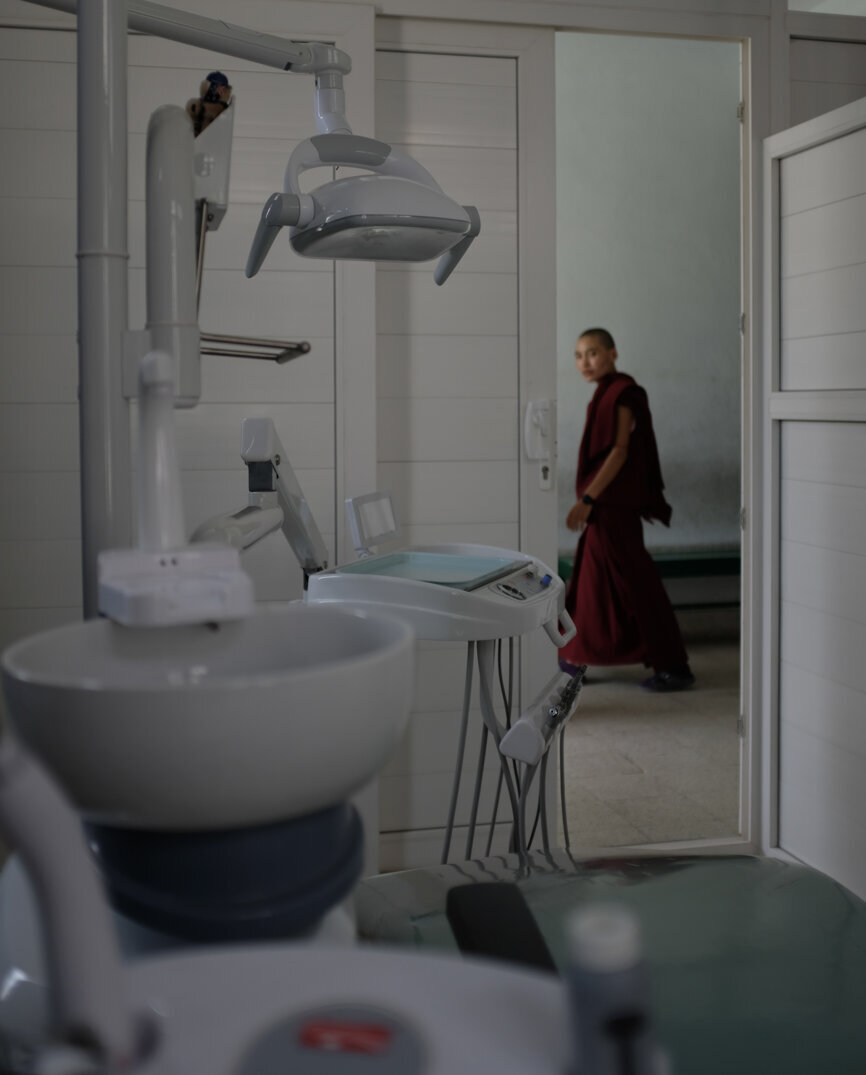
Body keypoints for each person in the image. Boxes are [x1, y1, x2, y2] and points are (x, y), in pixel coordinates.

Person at [558, 328, 694, 692]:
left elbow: (619, 451)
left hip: (613, 508)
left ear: (613, 353)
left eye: (592, 353)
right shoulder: (604, 394)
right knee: (592, 582)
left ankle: (673, 664)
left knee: (634, 583)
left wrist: (587, 500)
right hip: (606, 508)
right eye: (578, 355)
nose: (584, 362)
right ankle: (573, 657)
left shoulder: (622, 393)